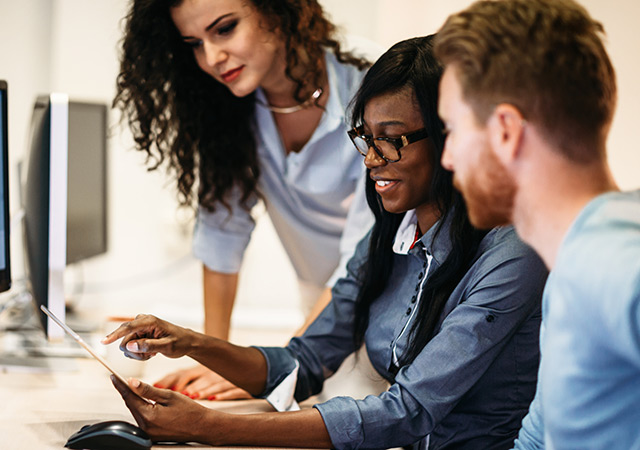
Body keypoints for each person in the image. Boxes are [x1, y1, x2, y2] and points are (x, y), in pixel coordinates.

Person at [103, 35, 548, 449]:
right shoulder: (392, 233)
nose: (373, 160)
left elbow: (408, 411)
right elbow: (305, 359)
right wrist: (189, 342)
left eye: (392, 141)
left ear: (452, 138)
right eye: (367, 139)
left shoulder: (512, 252)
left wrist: (205, 427)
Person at [113, 0, 380, 399]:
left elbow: (362, 255)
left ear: (277, 10)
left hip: (388, 305)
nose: (211, 57)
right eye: (194, 43)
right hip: (315, 306)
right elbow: (223, 235)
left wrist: (275, 368)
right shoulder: (231, 107)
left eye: (224, 29)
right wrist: (212, 357)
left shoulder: (372, 82)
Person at [435, 0, 640, 448]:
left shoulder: (609, 262)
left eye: (451, 130)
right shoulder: (572, 265)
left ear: (505, 130)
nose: (447, 159)